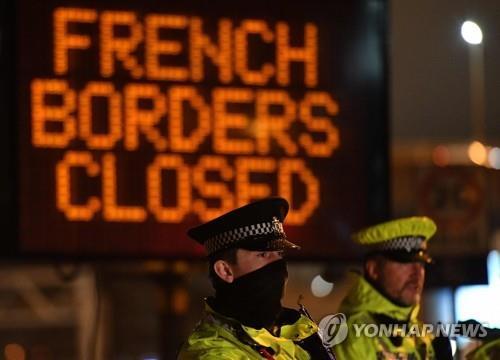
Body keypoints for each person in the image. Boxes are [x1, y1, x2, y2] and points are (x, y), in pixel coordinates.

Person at [178, 197, 335, 359]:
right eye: (263, 254)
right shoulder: (211, 353)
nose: (278, 264)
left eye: (279, 254)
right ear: (225, 270)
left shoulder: (294, 333)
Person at [334, 216, 452, 359]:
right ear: (374, 269)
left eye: (421, 264)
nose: (417, 272)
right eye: (405, 262)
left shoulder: (421, 334)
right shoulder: (350, 335)